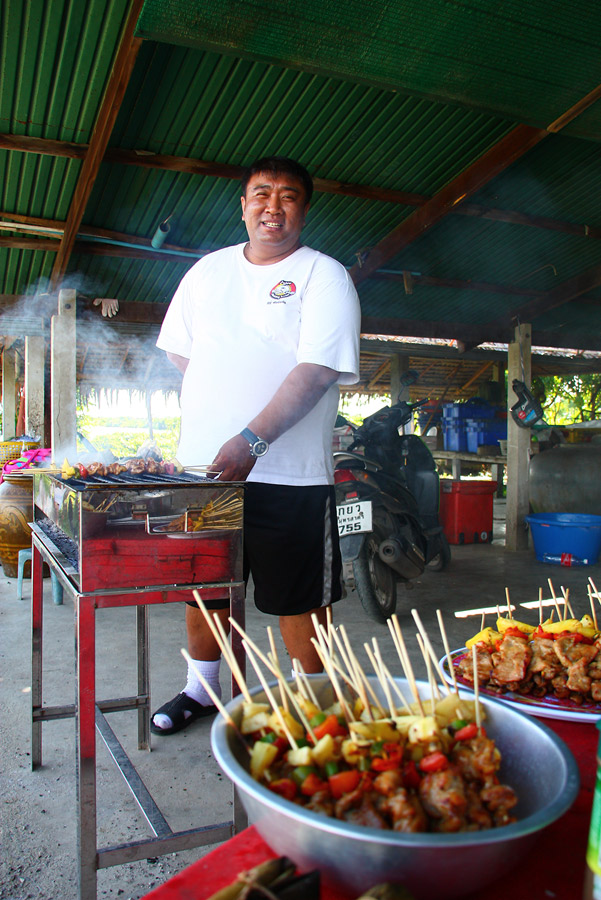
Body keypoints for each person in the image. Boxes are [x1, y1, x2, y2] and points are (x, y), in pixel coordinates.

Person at [151, 155, 361, 735]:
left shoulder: (324, 274)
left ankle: (318, 710)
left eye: (288, 196)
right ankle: (202, 691)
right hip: (204, 472)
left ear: (304, 209)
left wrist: (251, 439)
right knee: (205, 590)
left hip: (289, 475)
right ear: (243, 205)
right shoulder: (206, 272)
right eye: (261, 194)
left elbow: (318, 369)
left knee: (299, 599)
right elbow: (179, 352)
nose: (273, 206)